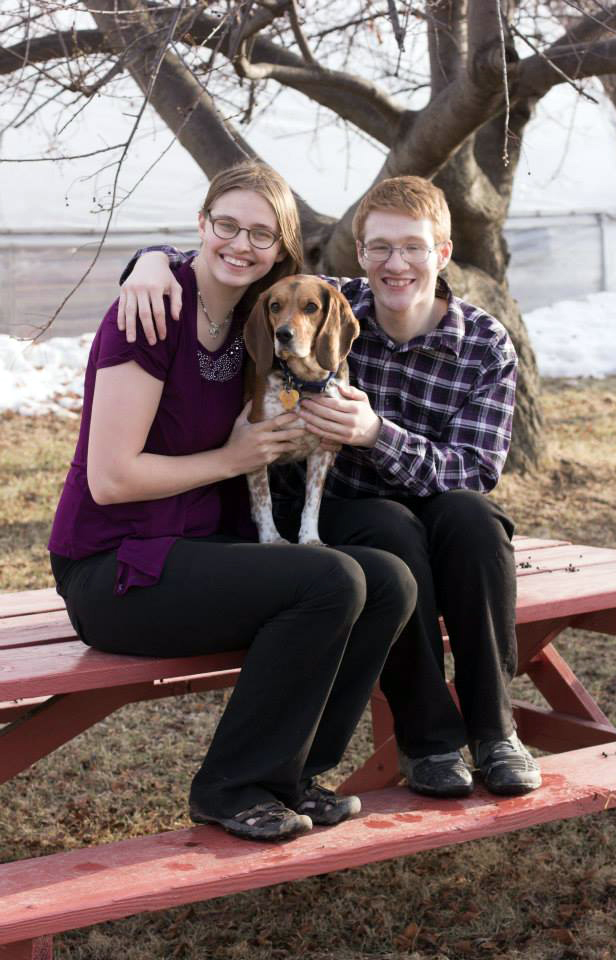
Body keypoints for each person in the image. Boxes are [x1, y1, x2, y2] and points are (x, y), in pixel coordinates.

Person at [117, 174, 542, 799]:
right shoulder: (328, 302)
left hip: (441, 497)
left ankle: (496, 732)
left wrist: (377, 434)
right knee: (391, 533)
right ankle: (430, 742)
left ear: (442, 253)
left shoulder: (483, 342)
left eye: (413, 247)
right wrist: (148, 262)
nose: (395, 264)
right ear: (360, 254)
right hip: (352, 505)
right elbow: (235, 263)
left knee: (477, 525)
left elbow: (477, 469)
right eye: (378, 249)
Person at [49, 161, 417, 843]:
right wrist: (153, 263)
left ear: (280, 250)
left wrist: (354, 412)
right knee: (330, 579)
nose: (241, 245)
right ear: (201, 224)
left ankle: (298, 773)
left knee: (390, 581)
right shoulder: (148, 316)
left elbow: (345, 305)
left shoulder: (260, 313)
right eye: (227, 226)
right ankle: (231, 786)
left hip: (203, 550)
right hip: (117, 567)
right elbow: (110, 480)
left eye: (261, 234)